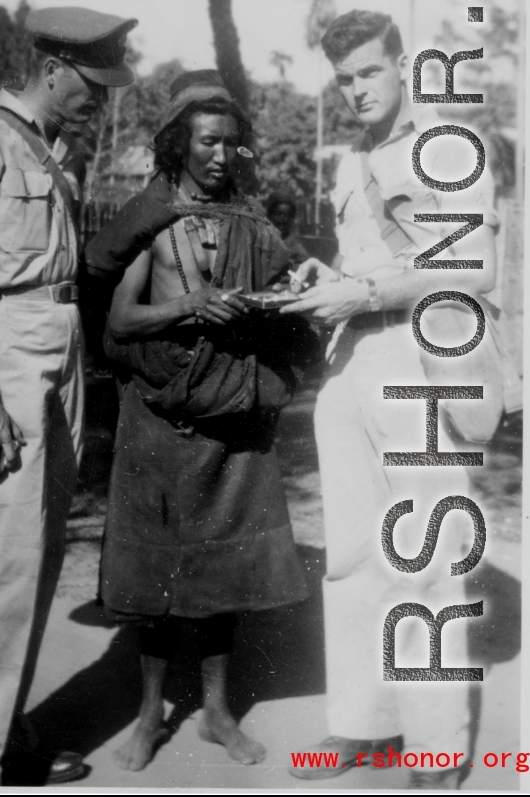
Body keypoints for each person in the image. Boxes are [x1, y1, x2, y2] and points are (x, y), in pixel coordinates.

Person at [0, 6, 137, 786]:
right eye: (92, 82)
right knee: (5, 565)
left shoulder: (50, 153)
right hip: (6, 356)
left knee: (38, 559)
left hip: (58, 349)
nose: (103, 98)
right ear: (50, 69)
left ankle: (5, 734)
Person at [282, 11, 498, 790]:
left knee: (427, 559)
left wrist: (363, 291)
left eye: (368, 72)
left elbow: (467, 268)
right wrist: (326, 277)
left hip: (422, 357)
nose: (355, 90)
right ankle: (362, 721)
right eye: (343, 78)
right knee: (349, 556)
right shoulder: (352, 161)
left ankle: (437, 747)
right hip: (351, 365)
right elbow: (367, 255)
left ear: (404, 67)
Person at [83, 71, 309, 772]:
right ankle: (150, 715)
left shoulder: (250, 219)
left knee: (224, 575)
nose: (220, 155)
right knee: (154, 574)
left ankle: (214, 712)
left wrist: (274, 299)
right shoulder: (148, 218)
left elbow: (283, 288)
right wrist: (189, 305)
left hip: (230, 421)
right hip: (156, 417)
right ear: (180, 142)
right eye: (208, 141)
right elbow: (122, 318)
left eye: (230, 144)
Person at [265, 191, 309, 268]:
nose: (283, 219)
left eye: (288, 215)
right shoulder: (259, 244)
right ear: (269, 216)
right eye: (279, 214)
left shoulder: (298, 252)